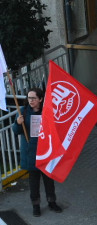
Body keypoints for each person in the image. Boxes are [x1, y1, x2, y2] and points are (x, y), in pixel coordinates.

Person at [13, 88, 62, 216]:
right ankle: (36, 205)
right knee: (33, 181)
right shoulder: (23, 111)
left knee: (48, 179)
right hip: (31, 151)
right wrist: (18, 123)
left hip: (46, 150)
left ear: (40, 99)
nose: (31, 101)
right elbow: (15, 130)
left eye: (34, 98)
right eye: (29, 98)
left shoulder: (47, 111)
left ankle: (52, 202)